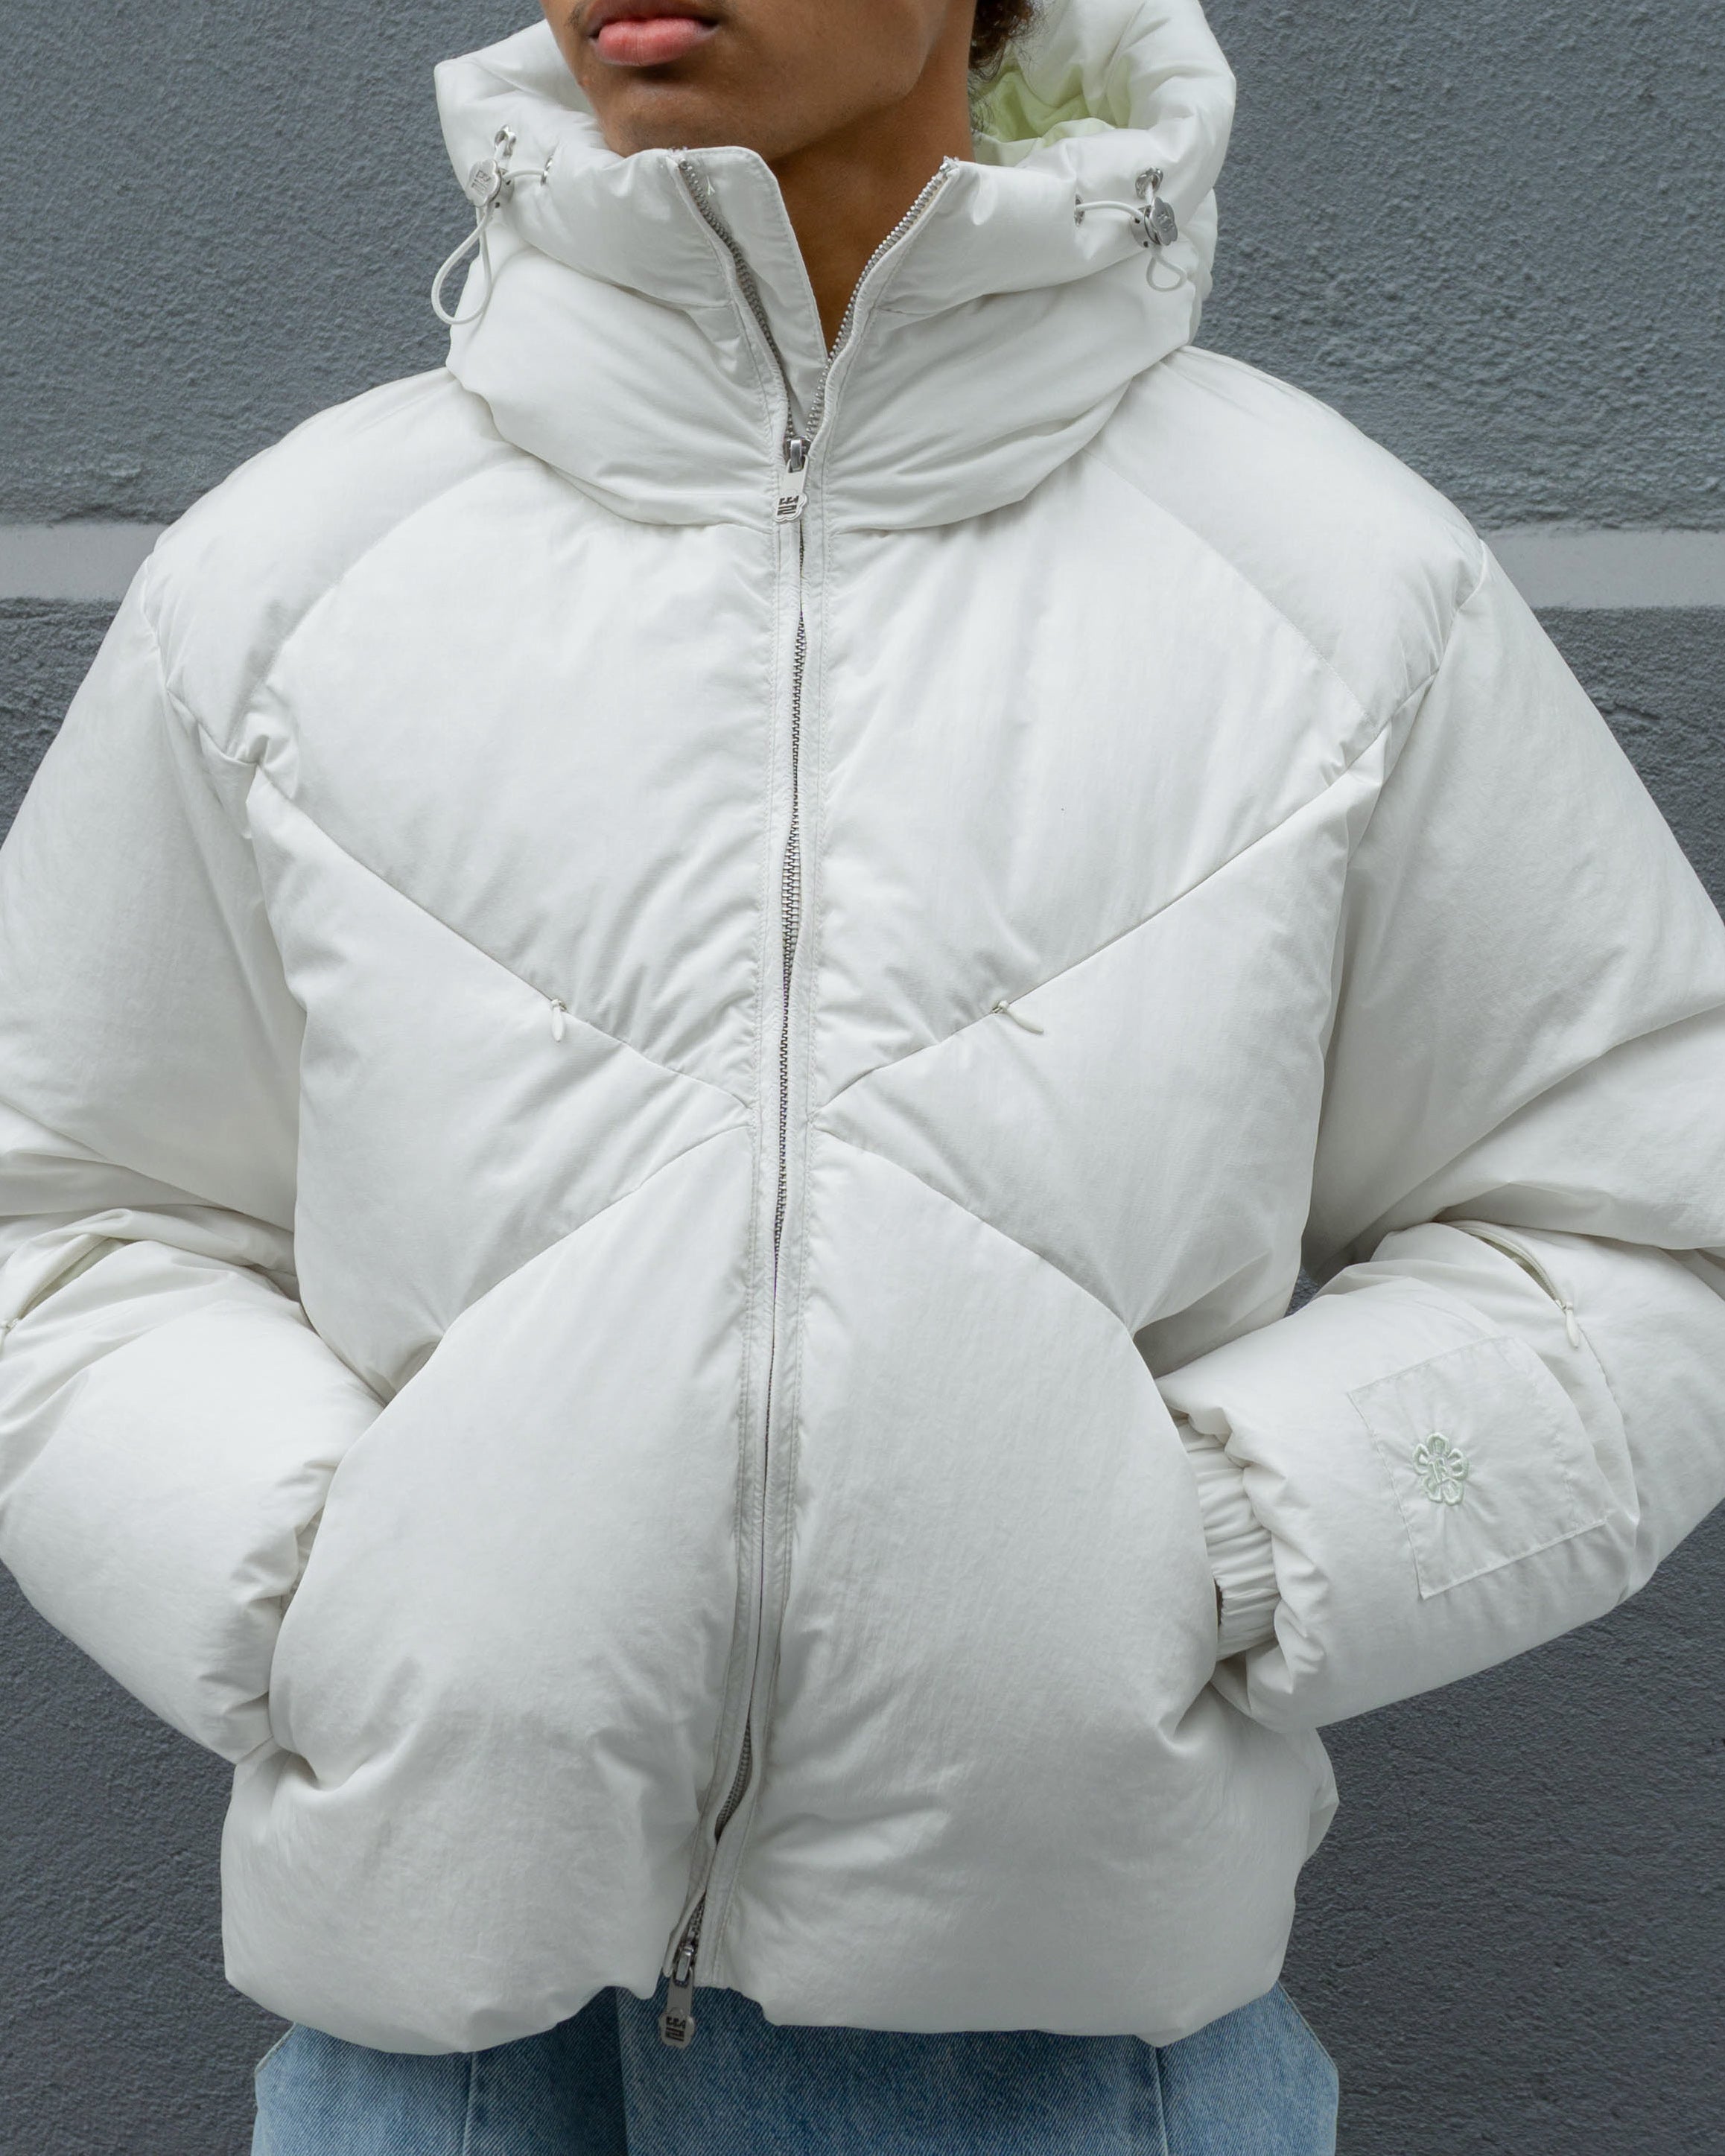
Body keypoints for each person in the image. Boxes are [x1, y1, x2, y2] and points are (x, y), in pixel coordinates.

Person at [1, 0, 1721, 2148]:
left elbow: (1638, 1233)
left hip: (1064, 2063)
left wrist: (1217, 1552)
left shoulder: (1335, 590)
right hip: (428, 2054)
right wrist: (321, 1591)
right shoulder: (289, 580)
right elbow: (60, 1208)